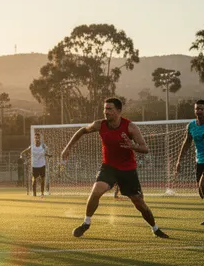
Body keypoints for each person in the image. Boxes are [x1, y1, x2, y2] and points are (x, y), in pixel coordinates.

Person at [61, 98, 169, 239]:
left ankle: (155, 229)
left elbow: (145, 148)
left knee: (139, 203)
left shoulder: (130, 127)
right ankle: (86, 223)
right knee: (95, 191)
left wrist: (133, 146)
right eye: (105, 109)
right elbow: (82, 130)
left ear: (118, 111)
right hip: (109, 167)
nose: (106, 112)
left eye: (110, 109)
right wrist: (67, 147)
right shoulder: (100, 124)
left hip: (127, 169)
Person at [19, 131, 48, 198]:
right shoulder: (32, 146)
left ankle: (42, 193)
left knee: (43, 179)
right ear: (34, 138)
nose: (37, 138)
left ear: (40, 138)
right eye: (35, 137)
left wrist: (48, 155)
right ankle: (34, 193)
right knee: (34, 179)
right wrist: (21, 154)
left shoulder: (43, 145)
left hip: (42, 165)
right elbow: (26, 150)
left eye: (38, 137)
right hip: (35, 165)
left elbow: (45, 152)